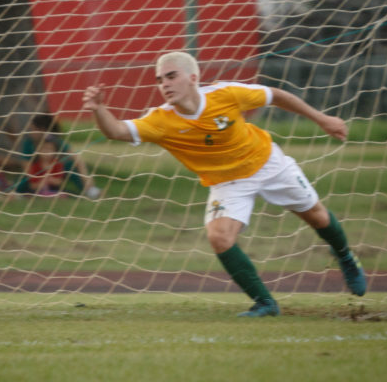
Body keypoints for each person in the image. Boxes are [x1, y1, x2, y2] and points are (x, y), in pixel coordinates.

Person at [82, 51, 367, 317]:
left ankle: (345, 257)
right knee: (219, 237)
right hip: (227, 183)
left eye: (171, 76)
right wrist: (98, 109)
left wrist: (322, 119)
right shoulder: (160, 121)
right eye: (159, 80)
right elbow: (117, 131)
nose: (164, 84)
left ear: (193, 78)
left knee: (317, 216)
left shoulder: (226, 94)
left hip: (268, 163)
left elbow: (276, 96)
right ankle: (265, 303)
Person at [17, 113, 101, 199]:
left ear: (42, 129)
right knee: (24, 180)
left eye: (32, 129)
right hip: (37, 172)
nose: (30, 132)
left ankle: (90, 190)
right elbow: (26, 166)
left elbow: (77, 159)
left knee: (71, 166)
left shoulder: (55, 141)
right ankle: (20, 193)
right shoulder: (28, 143)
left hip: (53, 170)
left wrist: (88, 182)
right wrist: (39, 180)